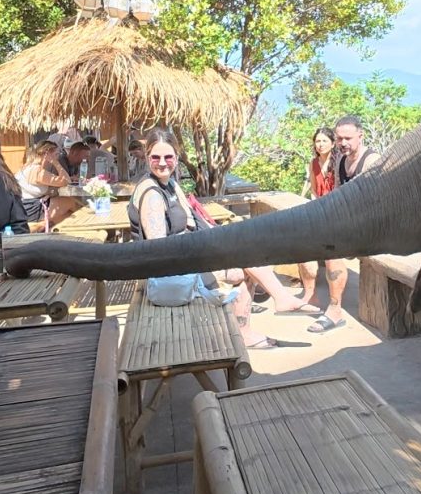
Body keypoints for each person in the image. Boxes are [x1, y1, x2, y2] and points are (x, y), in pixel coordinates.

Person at [128, 129, 317, 349]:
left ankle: (266, 310)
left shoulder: (169, 184)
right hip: (168, 274)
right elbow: (159, 251)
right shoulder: (152, 194)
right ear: (147, 157)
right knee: (242, 269)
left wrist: (221, 241)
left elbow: (192, 219)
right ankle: (260, 317)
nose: (162, 163)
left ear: (177, 158)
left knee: (247, 252)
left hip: (184, 257)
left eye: (168, 157)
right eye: (156, 157)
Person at [307, 115, 381, 334]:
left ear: (360, 136)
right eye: (339, 139)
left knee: (333, 249)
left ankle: (335, 309)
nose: (343, 143)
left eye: (348, 138)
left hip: (374, 225)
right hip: (350, 221)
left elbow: (377, 202)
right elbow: (339, 195)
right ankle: (308, 293)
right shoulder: (340, 161)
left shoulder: (371, 161)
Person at [298, 127, 339, 309]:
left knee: (330, 249)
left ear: (332, 143)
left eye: (324, 141)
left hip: (338, 211)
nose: (320, 145)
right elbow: (314, 190)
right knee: (301, 242)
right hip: (320, 209)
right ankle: (309, 293)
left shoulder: (339, 162)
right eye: (317, 141)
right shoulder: (313, 163)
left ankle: (331, 299)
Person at [16, 140, 71, 227]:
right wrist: (56, 163)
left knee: (66, 214)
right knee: (71, 203)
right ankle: (43, 226)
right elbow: (66, 181)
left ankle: (49, 227)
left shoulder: (28, 166)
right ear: (47, 154)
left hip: (23, 206)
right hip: (32, 208)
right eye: (56, 154)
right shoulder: (38, 171)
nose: (58, 157)